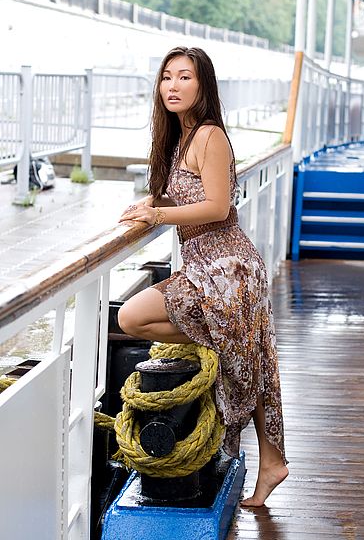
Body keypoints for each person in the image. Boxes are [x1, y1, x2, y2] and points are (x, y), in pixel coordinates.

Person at [117, 46, 288, 507]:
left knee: (132, 316)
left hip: (226, 266)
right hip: (206, 263)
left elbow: (217, 207)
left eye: (184, 77)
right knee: (249, 355)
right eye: (166, 77)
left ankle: (273, 463)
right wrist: (153, 207)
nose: (173, 85)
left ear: (203, 86)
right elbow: (191, 200)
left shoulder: (209, 135)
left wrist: (157, 214)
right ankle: (273, 463)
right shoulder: (180, 137)